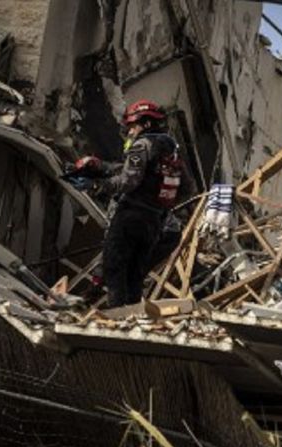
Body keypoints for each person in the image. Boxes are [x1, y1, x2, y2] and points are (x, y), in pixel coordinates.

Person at [72, 99, 197, 307]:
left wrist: (97, 185)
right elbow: (187, 188)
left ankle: (119, 317)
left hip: (130, 216)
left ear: (146, 124)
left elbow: (128, 181)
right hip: (153, 222)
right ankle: (131, 318)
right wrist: (103, 167)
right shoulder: (170, 150)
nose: (130, 132)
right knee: (134, 275)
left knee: (114, 267)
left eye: (132, 126)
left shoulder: (142, 145)